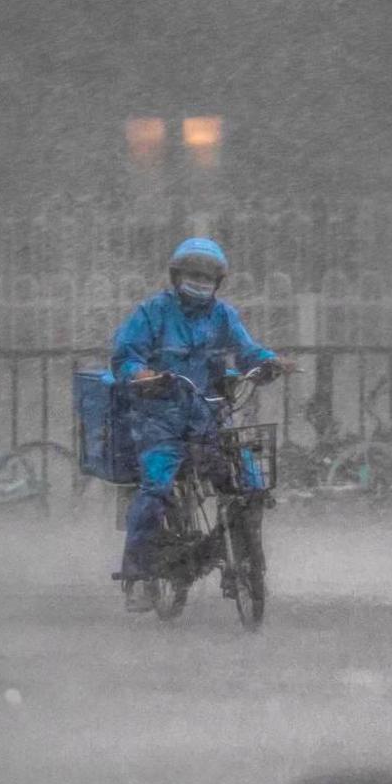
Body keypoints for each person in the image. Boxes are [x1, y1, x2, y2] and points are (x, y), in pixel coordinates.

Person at [111, 237, 293, 612]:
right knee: (156, 487)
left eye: (207, 276)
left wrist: (268, 363)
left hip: (207, 417)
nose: (199, 281)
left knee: (247, 485)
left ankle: (238, 558)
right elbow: (126, 356)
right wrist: (143, 374)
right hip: (159, 421)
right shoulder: (152, 313)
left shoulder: (223, 316)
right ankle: (139, 575)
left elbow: (247, 351)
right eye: (192, 274)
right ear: (177, 276)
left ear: (218, 281)